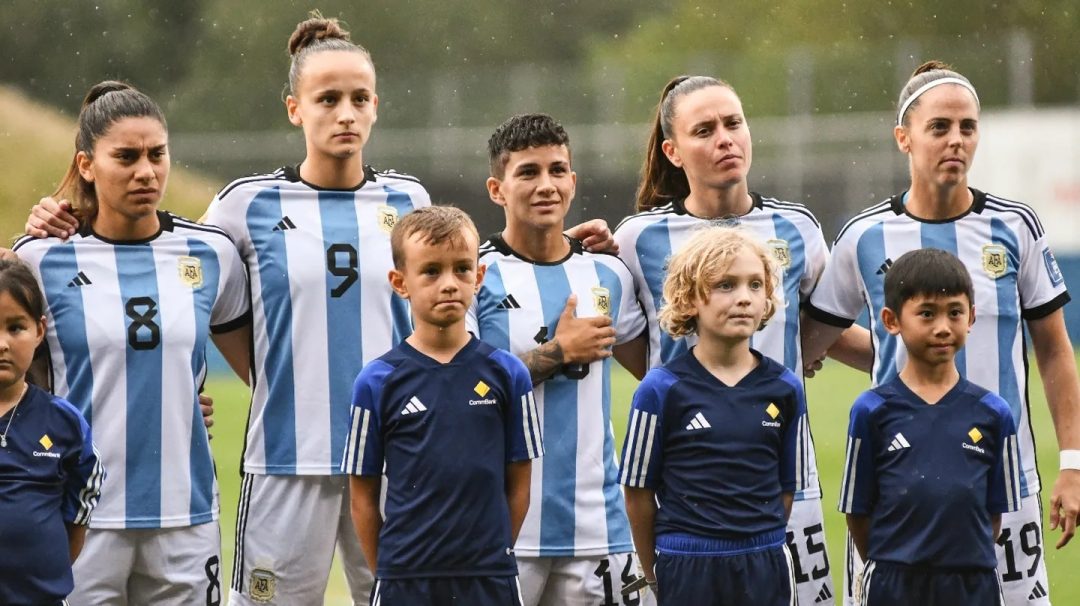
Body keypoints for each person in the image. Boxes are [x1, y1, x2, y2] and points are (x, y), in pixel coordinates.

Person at [803, 60, 1080, 605]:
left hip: (1004, 480)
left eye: (967, 127)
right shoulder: (864, 235)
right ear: (903, 138)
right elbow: (814, 338)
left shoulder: (1015, 227)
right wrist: (892, 351)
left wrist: (1073, 463)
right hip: (895, 483)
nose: (956, 140)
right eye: (939, 127)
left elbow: (1052, 350)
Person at [612, 74, 865, 605]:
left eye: (734, 123)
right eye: (704, 130)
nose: (726, 138)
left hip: (784, 472)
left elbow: (820, 329)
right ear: (673, 151)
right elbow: (642, 353)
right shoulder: (636, 239)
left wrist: (910, 362)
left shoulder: (797, 229)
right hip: (692, 495)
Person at [12, 81, 251, 605]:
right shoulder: (41, 259)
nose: (146, 171)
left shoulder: (211, 254)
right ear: (87, 164)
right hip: (80, 516)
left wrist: (181, 401)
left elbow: (260, 371)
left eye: (156, 155)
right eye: (126, 157)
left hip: (185, 516)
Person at [468, 113, 651, 606]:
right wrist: (558, 352)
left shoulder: (609, 272)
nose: (545, 184)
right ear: (496, 189)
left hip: (600, 526)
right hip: (505, 529)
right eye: (527, 172)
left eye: (557, 170)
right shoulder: (476, 277)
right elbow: (461, 390)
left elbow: (654, 372)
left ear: (573, 181)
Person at [343, 205, 541, 605]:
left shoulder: (507, 374)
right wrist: (389, 569)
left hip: (489, 578)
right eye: (431, 271)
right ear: (401, 283)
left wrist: (492, 551)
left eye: (462, 269)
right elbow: (362, 497)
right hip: (406, 579)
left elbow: (519, 485)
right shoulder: (377, 382)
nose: (449, 284)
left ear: (479, 277)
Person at [619, 225, 809, 605]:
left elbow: (786, 487)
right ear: (690, 299)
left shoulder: (785, 388)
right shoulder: (659, 390)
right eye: (726, 285)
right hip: (688, 563)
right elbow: (638, 491)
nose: (744, 298)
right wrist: (653, 567)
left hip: (765, 561)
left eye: (755, 285)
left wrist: (756, 539)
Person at [840, 248, 1022, 604]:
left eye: (954, 312)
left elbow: (993, 518)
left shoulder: (993, 413)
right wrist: (895, 563)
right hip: (894, 583)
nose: (942, 327)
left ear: (971, 316)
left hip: (973, 584)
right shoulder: (871, 410)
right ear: (892, 321)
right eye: (926, 314)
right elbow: (857, 512)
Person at [0, 258, 104, 605]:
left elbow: (76, 520)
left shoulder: (63, 423)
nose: (2, 344)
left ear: (40, 331)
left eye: (15, 328)